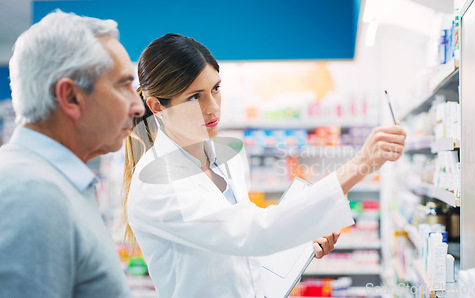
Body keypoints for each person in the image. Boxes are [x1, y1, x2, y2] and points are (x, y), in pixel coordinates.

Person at [123, 33, 406, 297]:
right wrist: (361, 164)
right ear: (158, 107)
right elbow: (252, 234)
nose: (213, 107)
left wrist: (300, 239)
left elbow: (243, 242)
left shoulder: (224, 158)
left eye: (216, 89)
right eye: (194, 96)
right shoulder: (156, 183)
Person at [0, 10, 144, 297]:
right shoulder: (33, 193)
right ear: (71, 97)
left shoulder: (56, 182)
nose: (138, 106)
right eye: (123, 85)